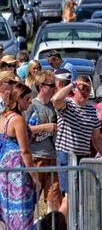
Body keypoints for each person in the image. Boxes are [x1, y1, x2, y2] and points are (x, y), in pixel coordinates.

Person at [52, 75, 102, 218]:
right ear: (75, 90)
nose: (84, 92)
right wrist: (73, 83)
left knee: (80, 197)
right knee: (69, 197)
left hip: (83, 156)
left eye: (87, 89)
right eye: (81, 88)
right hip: (66, 154)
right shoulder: (67, 104)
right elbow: (55, 100)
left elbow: (96, 137)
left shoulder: (91, 110)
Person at [0, 83, 36, 230]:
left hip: (2, 168)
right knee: (15, 212)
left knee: (2, 214)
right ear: (17, 99)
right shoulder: (17, 120)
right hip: (16, 171)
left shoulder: (2, 117)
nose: (29, 103)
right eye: (27, 99)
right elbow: (25, 151)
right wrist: (33, 175)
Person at [25, 70, 62, 212]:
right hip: (36, 157)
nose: (55, 89)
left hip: (53, 158)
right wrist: (43, 127)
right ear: (42, 86)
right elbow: (24, 129)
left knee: (53, 200)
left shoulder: (55, 106)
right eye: (52, 85)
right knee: (32, 200)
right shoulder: (31, 105)